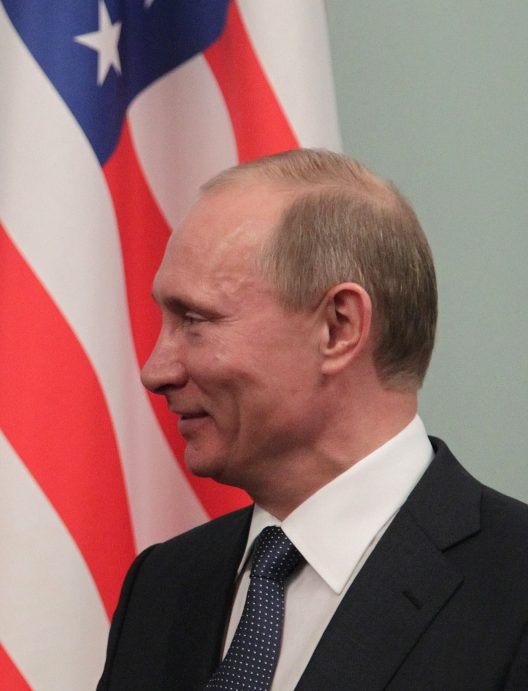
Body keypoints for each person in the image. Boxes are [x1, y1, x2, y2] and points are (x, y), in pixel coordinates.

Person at [97, 149, 528, 690]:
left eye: (195, 320)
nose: (155, 371)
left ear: (339, 328)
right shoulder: (163, 585)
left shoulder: (514, 589)